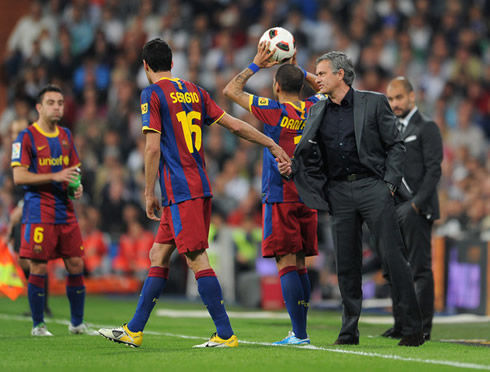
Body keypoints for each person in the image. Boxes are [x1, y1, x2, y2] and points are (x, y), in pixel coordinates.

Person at [98, 38, 290, 348]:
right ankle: (134, 330)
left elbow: (151, 148)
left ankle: (225, 334)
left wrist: (149, 192)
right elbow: (235, 126)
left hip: (180, 189)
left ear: (145, 66)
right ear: (172, 64)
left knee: (196, 258)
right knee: (158, 253)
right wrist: (270, 142)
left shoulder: (151, 94)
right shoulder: (195, 91)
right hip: (196, 185)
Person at [277, 51, 425, 347]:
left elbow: (395, 146)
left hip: (374, 188)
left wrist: (390, 186)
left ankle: (412, 328)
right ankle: (348, 332)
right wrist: (292, 168)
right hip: (339, 192)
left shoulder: (373, 101)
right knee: (345, 264)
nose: (316, 79)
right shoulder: (317, 110)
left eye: (321, 73)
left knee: (393, 257)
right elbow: (311, 154)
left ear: (340, 75)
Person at [223, 42, 325, 345]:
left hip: (281, 195)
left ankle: (299, 334)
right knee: (301, 263)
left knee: (285, 263)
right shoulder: (314, 106)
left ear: (276, 85)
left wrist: (257, 64)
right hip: (308, 195)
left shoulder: (273, 110)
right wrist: (300, 69)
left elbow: (231, 90)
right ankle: (300, 331)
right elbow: (326, 87)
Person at [11, 84, 89, 336]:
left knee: (76, 263)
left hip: (65, 210)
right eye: (51, 103)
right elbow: (19, 176)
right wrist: (55, 176)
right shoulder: (25, 137)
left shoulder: (66, 135)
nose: (57, 107)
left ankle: (77, 323)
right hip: (38, 211)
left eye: (60, 103)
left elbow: (74, 170)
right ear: (39, 107)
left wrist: (77, 188)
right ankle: (38, 325)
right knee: (39, 267)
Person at [383, 77, 443, 341]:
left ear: (411, 97)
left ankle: (422, 327)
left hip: (417, 209)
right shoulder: (391, 129)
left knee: (419, 268)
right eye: (391, 99)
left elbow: (434, 171)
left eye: (398, 98)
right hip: (394, 208)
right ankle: (401, 325)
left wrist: (416, 204)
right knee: (394, 268)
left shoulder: (427, 127)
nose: (394, 104)